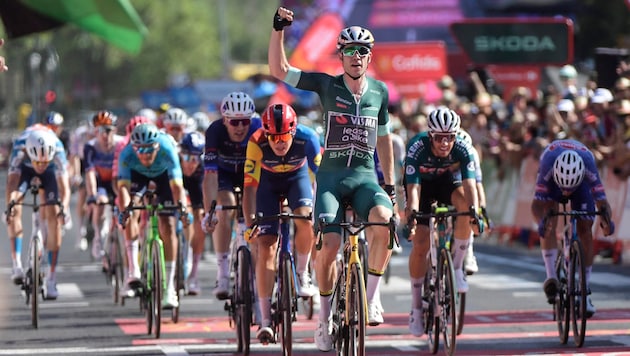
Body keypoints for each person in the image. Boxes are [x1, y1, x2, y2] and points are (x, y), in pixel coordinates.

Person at [269, 8, 397, 351]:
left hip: (366, 178)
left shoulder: (380, 92)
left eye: (362, 52)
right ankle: (324, 318)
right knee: (329, 244)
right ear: (340, 56)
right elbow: (279, 70)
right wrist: (278, 29)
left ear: (370, 57)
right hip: (331, 179)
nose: (356, 57)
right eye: (350, 51)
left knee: (385, 222)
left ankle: (371, 299)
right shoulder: (327, 84)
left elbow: (384, 139)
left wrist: (392, 186)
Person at [241, 103, 321, 343]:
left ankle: (302, 272)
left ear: (293, 131)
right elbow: (249, 187)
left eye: (283, 136)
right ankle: (265, 321)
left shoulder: (308, 138)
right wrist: (249, 223)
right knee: (266, 245)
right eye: (273, 137)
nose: (278, 142)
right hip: (267, 184)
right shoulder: (256, 141)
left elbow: (324, 176)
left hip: (297, 179)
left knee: (306, 218)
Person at [404, 107, 483, 337]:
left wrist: (475, 213)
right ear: (430, 136)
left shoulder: (462, 146)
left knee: (464, 208)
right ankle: (417, 308)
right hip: (421, 185)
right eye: (439, 138)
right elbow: (413, 189)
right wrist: (413, 215)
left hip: (446, 181)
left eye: (449, 137)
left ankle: (456, 267)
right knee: (420, 244)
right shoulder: (416, 147)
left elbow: (470, 186)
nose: (445, 143)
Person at [531, 139, 615, 318]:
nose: (566, 192)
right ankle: (551, 276)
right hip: (553, 180)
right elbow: (536, 205)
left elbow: (602, 202)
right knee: (549, 218)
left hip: (581, 185)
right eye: (565, 189)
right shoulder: (548, 164)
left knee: (586, 229)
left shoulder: (588, 165)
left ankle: (585, 291)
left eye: (569, 189)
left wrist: (607, 222)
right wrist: (541, 223)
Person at [116, 123, 188, 308]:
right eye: (140, 149)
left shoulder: (167, 149)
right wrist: (126, 209)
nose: (145, 154)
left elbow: (177, 187)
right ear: (134, 148)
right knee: (131, 212)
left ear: (157, 146)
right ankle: (133, 269)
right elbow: (123, 188)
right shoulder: (127, 154)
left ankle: (169, 288)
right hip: (137, 178)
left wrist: (182, 208)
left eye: (149, 149)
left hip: (164, 179)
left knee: (168, 225)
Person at [201, 91, 261, 300]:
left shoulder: (258, 128)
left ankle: (254, 274)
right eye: (234, 123)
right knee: (225, 207)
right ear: (225, 120)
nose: (240, 127)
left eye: (245, 121)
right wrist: (210, 213)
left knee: (252, 218)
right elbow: (209, 176)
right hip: (224, 173)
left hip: (249, 175)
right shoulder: (215, 131)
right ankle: (223, 272)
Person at [5, 126, 70, 299]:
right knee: (14, 207)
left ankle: (51, 279)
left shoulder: (57, 150)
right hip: (25, 171)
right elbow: (12, 183)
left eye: (44, 162)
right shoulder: (20, 148)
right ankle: (16, 264)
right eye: (38, 162)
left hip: (51, 175)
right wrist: (10, 204)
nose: (41, 166)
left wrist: (63, 207)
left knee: (54, 215)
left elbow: (65, 188)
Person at [83, 111, 124, 261]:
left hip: (118, 181)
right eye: (99, 131)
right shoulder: (90, 147)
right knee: (99, 203)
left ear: (114, 130)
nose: (104, 135)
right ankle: (98, 237)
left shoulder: (121, 144)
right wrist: (92, 195)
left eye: (107, 130)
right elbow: (89, 173)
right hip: (100, 182)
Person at [179, 131, 206, 295]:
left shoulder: (201, 168)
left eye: (195, 159)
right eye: (187, 158)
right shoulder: (174, 160)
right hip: (178, 183)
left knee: (199, 219)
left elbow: (203, 197)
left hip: (196, 185)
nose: (191, 163)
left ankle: (193, 274)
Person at [68, 117, 96, 250]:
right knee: (82, 194)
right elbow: (75, 157)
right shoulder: (79, 135)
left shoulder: (102, 135)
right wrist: (76, 175)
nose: (91, 136)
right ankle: (81, 232)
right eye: (90, 134)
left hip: (98, 163)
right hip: (84, 163)